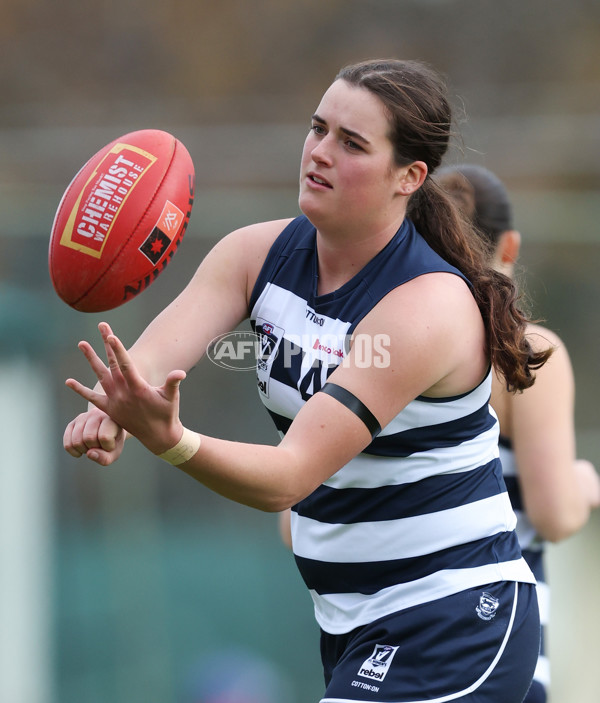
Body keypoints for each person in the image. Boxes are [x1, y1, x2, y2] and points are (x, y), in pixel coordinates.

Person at [63, 59, 549, 702]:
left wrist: (170, 438)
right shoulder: (253, 256)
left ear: (409, 177)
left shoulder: (426, 306)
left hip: (454, 617)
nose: (319, 153)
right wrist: (115, 410)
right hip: (354, 623)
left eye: (351, 143)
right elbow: (145, 369)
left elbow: (290, 477)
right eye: (317, 129)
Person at [434, 163, 600, 703]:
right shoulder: (528, 353)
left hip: (377, 639)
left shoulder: (371, 350)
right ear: (510, 245)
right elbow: (554, 513)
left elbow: (297, 524)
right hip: (499, 646)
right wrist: (581, 482)